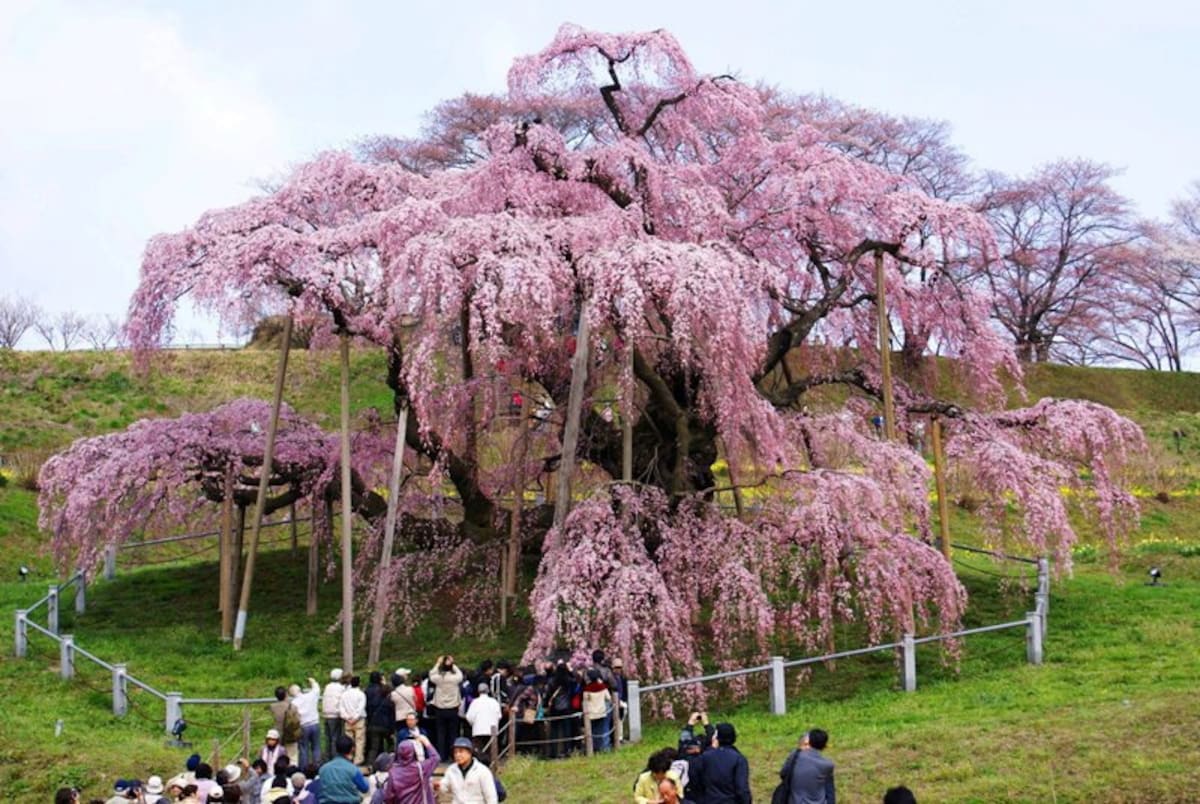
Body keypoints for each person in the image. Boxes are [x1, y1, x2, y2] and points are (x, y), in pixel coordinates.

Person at [690, 722, 750, 804]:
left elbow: (693, 776)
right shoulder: (739, 759)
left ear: (716, 738)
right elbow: (742, 789)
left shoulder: (705, 757)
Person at [383, 733, 440, 804]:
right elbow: (435, 758)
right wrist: (426, 742)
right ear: (413, 752)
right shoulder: (420, 768)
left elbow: (388, 797)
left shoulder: (393, 772)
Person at [438, 737, 498, 804]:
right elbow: (445, 787)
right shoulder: (451, 770)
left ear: (470, 753)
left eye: (461, 751)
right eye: (455, 752)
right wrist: (439, 786)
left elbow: (491, 796)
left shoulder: (482, 771)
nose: (458, 755)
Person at [428, 655, 464, 761]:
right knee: (453, 733)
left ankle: (441, 756)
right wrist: (452, 663)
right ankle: (453, 755)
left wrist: (438, 663)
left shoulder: (438, 679)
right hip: (453, 708)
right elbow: (460, 674)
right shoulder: (455, 678)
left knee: (441, 733)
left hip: (440, 708)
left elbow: (431, 674)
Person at [785, 728, 836, 804]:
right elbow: (830, 792)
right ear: (824, 746)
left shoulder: (795, 755)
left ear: (809, 742)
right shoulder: (827, 765)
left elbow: (783, 773)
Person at [319, 734, 369, 803]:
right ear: (352, 749)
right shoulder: (353, 770)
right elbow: (365, 788)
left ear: (336, 748)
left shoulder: (323, 769)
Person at [290, 678, 322, 768]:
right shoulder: (310, 696)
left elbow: (292, 718)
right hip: (315, 723)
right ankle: (317, 766)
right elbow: (317, 689)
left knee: (303, 749)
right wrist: (313, 681)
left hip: (303, 726)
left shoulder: (293, 703)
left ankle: (304, 768)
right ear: (300, 690)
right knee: (316, 746)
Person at [464, 682, 503, 756]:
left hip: (478, 730)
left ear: (478, 691)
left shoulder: (475, 702)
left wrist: (473, 724)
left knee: (479, 751)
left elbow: (469, 716)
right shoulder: (494, 702)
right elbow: (499, 716)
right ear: (488, 690)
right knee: (490, 751)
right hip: (492, 730)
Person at [365, 671, 395, 767]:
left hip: (373, 723)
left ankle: (370, 764)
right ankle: (390, 761)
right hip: (385, 725)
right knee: (390, 743)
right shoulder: (387, 698)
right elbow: (391, 714)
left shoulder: (367, 691)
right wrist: (392, 728)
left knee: (374, 747)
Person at [338, 674, 367, 765]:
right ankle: (358, 759)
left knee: (348, 740)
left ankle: (348, 756)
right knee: (359, 740)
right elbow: (360, 708)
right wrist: (355, 718)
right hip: (359, 720)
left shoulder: (344, 694)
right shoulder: (361, 694)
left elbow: (341, 707)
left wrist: (347, 717)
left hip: (347, 720)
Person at [582, 668, 613, 752]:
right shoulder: (602, 687)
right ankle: (604, 748)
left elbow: (585, 699)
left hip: (591, 713)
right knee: (602, 730)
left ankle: (593, 748)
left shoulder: (587, 689)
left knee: (592, 732)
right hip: (601, 711)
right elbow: (608, 698)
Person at [269, 685, 300, 761]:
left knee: (277, 757)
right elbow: (298, 720)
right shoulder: (292, 707)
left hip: (277, 735)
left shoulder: (272, 707)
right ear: (286, 695)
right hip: (290, 735)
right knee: (292, 757)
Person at [322, 668, 347, 760]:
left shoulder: (327, 687)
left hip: (326, 714)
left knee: (328, 737)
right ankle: (335, 757)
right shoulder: (341, 688)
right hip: (335, 715)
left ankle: (327, 757)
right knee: (335, 737)